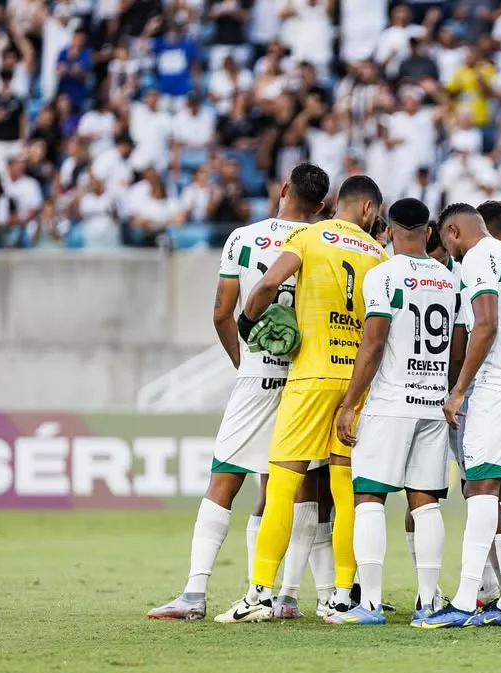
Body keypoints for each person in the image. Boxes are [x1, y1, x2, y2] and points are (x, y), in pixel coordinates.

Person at [148, 163, 330, 621]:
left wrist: (242, 359)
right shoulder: (321, 245)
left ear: (283, 189)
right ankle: (279, 595)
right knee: (292, 487)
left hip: (256, 376)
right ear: (321, 206)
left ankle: (194, 593)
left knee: (225, 480)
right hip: (306, 378)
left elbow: (221, 312)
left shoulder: (243, 238)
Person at [218, 175, 388, 623]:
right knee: (345, 490)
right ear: (369, 211)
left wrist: (247, 323)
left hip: (310, 374)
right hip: (356, 382)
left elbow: (269, 284)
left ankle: (259, 593)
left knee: (283, 482)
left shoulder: (309, 235)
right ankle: (341, 593)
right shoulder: (378, 253)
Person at [415, 202, 501, 629]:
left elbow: (485, 324)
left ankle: (465, 597)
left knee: (483, 485)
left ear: (453, 230)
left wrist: (458, 392)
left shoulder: (477, 258)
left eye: (445, 240)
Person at [327, 198, 458, 626]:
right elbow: (457, 341)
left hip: (391, 402)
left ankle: (369, 605)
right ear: (428, 232)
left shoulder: (383, 275)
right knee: (425, 503)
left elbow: (374, 343)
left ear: (389, 230)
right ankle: (429, 603)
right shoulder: (448, 278)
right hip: (433, 401)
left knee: (368, 497)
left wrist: (349, 404)